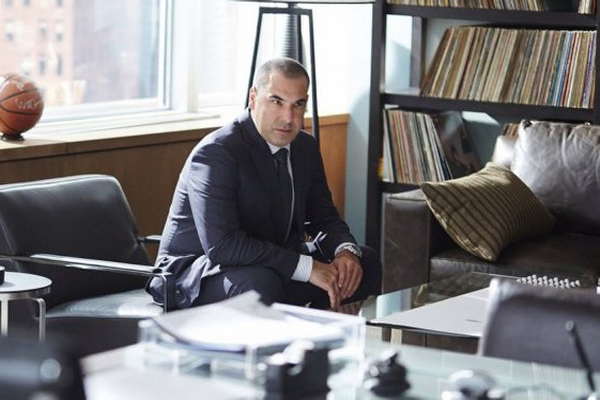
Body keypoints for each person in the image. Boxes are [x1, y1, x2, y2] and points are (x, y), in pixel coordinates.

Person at [147, 57, 381, 310]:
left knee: (362, 264)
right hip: (197, 274)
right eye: (276, 101)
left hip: (270, 266)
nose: (288, 118)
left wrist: (345, 252)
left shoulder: (305, 147)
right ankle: (287, 331)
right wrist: (307, 268)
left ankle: (318, 332)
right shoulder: (217, 153)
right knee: (259, 284)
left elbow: (324, 218)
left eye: (298, 104)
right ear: (253, 98)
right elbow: (222, 247)